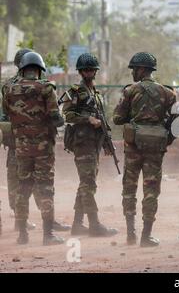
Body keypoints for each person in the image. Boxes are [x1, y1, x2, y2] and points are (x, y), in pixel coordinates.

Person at [0, 48, 70, 232]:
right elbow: (57, 120)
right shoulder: (47, 87)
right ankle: (48, 233)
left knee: (22, 186)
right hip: (42, 148)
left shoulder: (8, 88)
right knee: (45, 186)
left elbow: (7, 113)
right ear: (39, 69)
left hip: (20, 147)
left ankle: (22, 232)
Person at [113, 52, 178, 247]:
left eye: (134, 69)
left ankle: (131, 233)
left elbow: (117, 118)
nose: (133, 72)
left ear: (141, 69)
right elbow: (177, 121)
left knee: (129, 189)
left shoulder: (130, 91)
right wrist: (166, 139)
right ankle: (146, 236)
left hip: (133, 147)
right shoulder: (168, 93)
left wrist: (134, 119)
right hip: (155, 149)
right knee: (151, 190)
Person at [61, 53, 118, 237]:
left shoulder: (96, 93)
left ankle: (77, 224)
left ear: (95, 71)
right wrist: (87, 119)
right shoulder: (75, 91)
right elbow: (67, 115)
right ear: (80, 71)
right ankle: (94, 224)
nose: (88, 72)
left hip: (94, 143)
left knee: (85, 183)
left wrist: (107, 142)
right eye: (85, 69)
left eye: (91, 69)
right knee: (89, 184)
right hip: (82, 143)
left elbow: (102, 120)